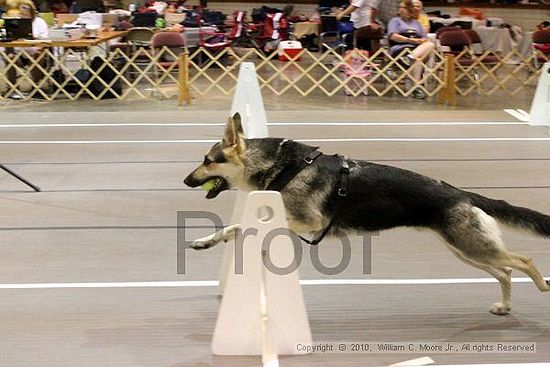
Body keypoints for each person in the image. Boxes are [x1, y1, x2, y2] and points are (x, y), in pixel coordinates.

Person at [387, 0, 434, 99]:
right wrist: (409, 40)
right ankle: (417, 88)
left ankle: (410, 58)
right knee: (417, 58)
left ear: (410, 9)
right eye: (399, 7)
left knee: (430, 44)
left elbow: (424, 37)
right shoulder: (395, 21)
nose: (401, 10)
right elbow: (392, 36)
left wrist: (421, 40)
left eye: (403, 8)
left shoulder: (417, 23)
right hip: (399, 49)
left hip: (414, 50)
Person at [3, 1, 50, 98]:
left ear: (32, 13)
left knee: (39, 56)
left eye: (25, 14)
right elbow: (8, 39)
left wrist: (37, 45)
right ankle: (12, 88)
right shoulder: (14, 22)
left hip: (34, 53)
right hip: (19, 54)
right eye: (21, 13)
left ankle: (36, 87)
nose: (22, 16)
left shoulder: (40, 22)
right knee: (9, 56)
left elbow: (45, 40)